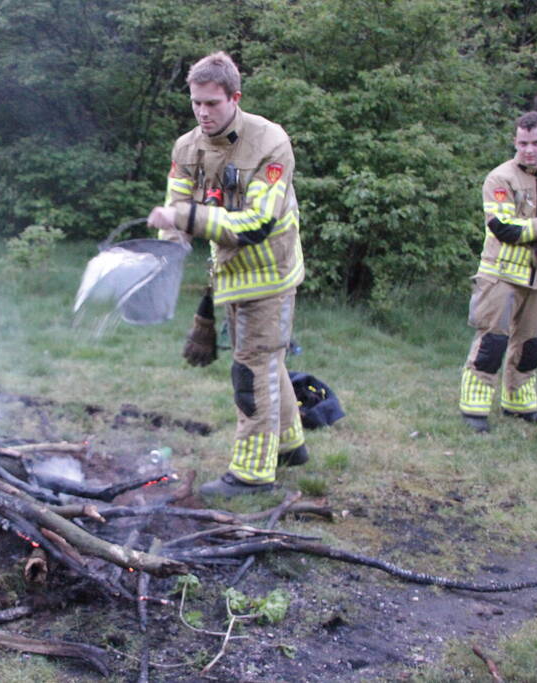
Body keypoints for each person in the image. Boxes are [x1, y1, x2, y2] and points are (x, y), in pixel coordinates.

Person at [146, 51, 307, 497]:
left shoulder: (270, 143)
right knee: (267, 359)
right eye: (196, 103)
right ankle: (292, 448)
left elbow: (256, 225)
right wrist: (165, 255)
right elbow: (177, 210)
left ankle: (252, 474)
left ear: (234, 97)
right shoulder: (187, 147)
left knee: (251, 368)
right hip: (230, 272)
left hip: (270, 272)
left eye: (212, 103)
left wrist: (186, 219)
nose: (203, 112)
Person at [459, 111, 537, 433]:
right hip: (500, 276)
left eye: (536, 142)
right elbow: (504, 228)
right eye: (523, 142)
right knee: (492, 343)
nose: (529, 149)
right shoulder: (500, 179)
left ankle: (519, 406)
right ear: (515, 141)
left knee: (530, 347)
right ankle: (474, 410)